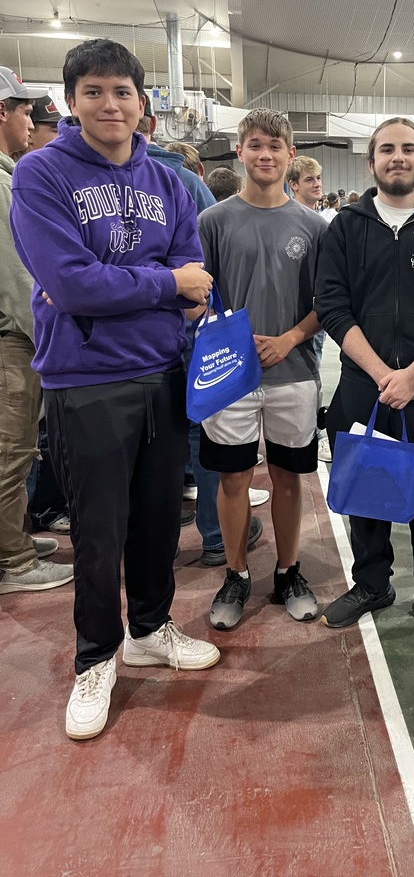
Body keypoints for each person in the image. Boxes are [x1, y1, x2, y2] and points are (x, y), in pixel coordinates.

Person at [10, 39, 221, 740]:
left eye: (122, 92)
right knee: (98, 533)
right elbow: (71, 285)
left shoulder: (165, 182)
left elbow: (193, 271)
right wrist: (165, 285)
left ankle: (151, 629)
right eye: (94, 91)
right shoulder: (42, 176)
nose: (110, 104)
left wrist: (164, 288)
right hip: (87, 379)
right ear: (71, 102)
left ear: (142, 104)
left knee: (160, 519)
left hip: (161, 373)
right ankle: (95, 658)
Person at [315, 116, 414, 638]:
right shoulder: (346, 226)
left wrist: (413, 374)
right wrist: (386, 374)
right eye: (387, 149)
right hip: (365, 385)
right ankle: (372, 582)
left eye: (409, 149)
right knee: (366, 487)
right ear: (372, 162)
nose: (398, 157)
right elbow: (332, 307)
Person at [197, 109, 326, 630]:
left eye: (274, 145)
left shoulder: (314, 227)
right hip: (230, 375)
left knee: (288, 477)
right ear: (240, 151)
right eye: (254, 145)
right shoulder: (214, 221)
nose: (265, 154)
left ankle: (288, 570)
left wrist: (292, 337)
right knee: (232, 478)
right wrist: (224, 332)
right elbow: (197, 295)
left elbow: (329, 302)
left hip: (294, 373)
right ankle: (235, 573)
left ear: (290, 154)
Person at [136, 104, 267, 564]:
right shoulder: (187, 185)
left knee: (162, 443)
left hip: (135, 343)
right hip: (192, 336)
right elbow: (210, 274)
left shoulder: (171, 184)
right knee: (198, 433)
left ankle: (155, 547)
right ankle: (215, 535)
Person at [0, 66, 74, 595]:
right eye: (25, 109)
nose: (32, 120)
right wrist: (52, 343)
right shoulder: (5, 181)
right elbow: (17, 280)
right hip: (13, 340)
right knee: (11, 452)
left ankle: (16, 539)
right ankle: (15, 562)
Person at [285, 155, 333, 461]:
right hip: (297, 312)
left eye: (318, 178)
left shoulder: (321, 222)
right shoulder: (289, 221)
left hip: (318, 311)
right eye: (309, 180)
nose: (317, 184)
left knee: (311, 370)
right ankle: (312, 433)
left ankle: (313, 431)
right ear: (293, 185)